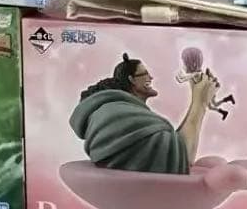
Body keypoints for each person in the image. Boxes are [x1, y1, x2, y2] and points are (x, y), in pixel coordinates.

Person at [69, 53, 220, 175]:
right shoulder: (119, 116)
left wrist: (197, 96)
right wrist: (199, 102)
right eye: (144, 74)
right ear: (132, 80)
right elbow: (182, 157)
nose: (150, 78)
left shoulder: (121, 114)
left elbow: (175, 144)